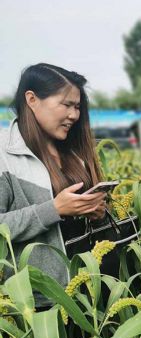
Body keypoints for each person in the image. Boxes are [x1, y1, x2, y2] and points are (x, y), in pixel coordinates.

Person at [0, 63, 107, 307]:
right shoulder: (4, 155)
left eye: (78, 107)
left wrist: (98, 213)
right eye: (66, 104)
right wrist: (54, 209)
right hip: (39, 304)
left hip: (90, 294)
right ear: (32, 99)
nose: (74, 115)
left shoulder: (73, 151)